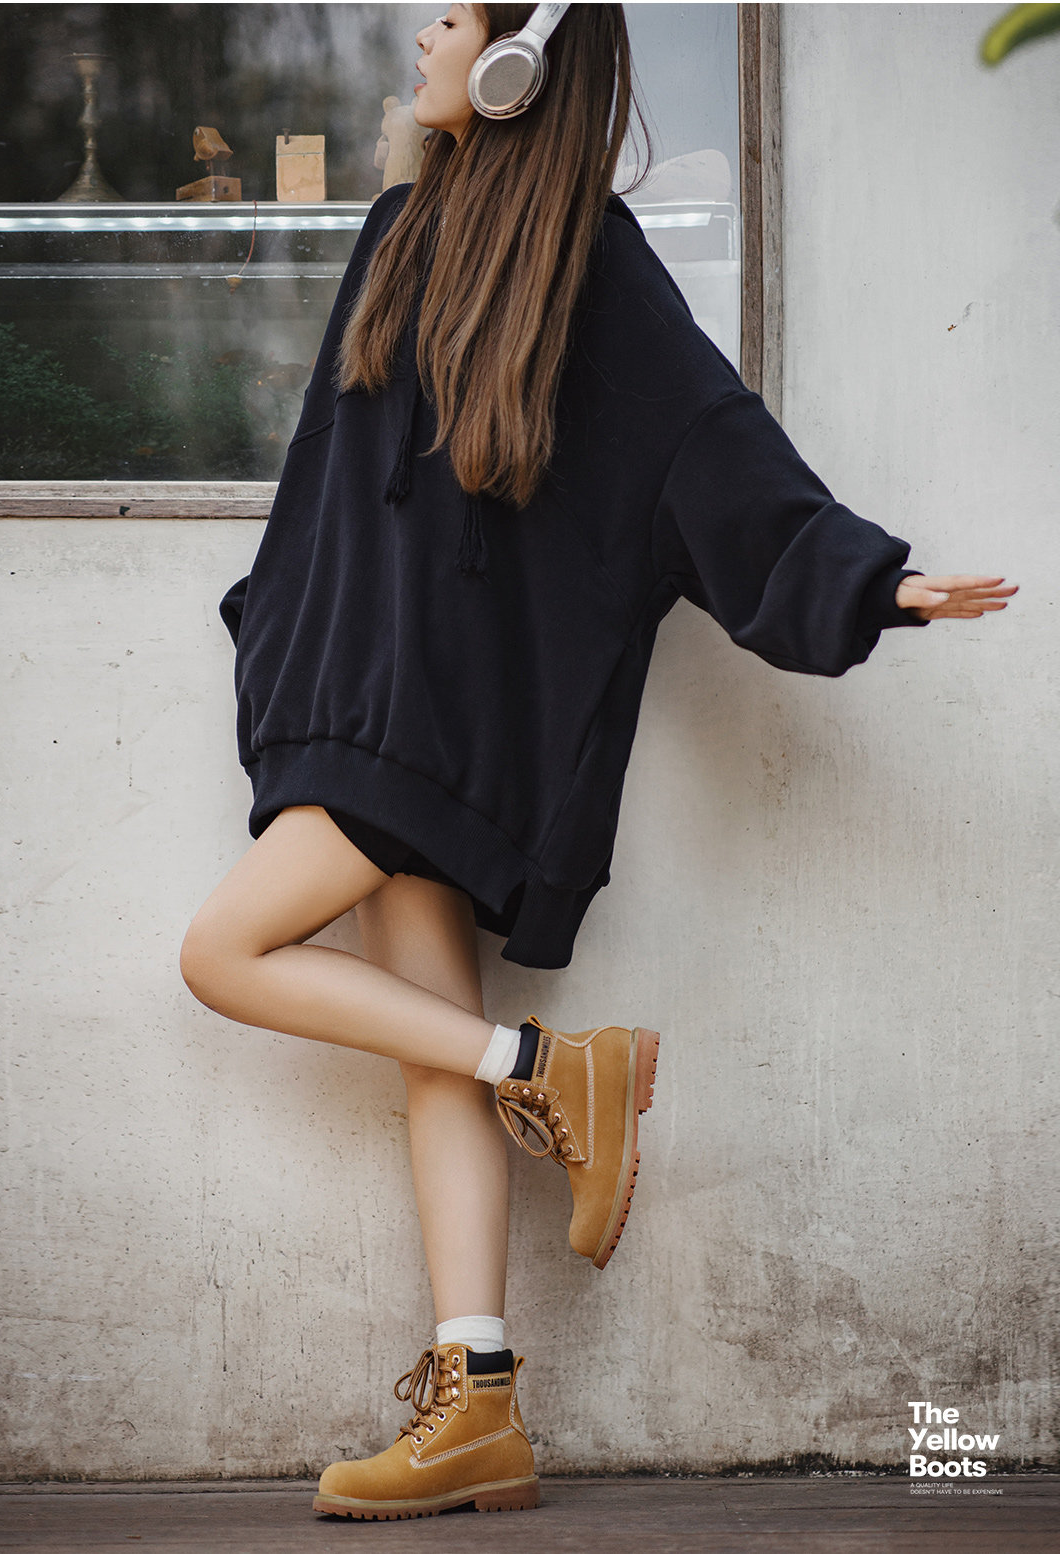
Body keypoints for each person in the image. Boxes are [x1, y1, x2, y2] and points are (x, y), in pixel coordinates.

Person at [179, 1, 1016, 1523]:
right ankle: (481, 1398)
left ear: (519, 63)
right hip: (364, 706)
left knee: (221, 953)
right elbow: (327, 486)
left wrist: (869, 582)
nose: (420, 36)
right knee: (431, 1048)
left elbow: (710, 450)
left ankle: (560, 1071)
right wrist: (280, 649)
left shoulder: (589, 266)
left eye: (451, 18)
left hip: (433, 726)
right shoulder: (396, 236)